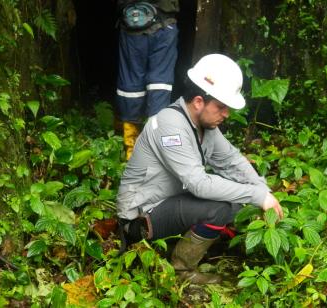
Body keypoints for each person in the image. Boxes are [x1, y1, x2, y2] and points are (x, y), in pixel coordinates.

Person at [116, 54, 284, 284]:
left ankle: (190, 242)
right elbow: (199, 184)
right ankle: (181, 271)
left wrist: (263, 191)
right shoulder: (169, 125)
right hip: (140, 219)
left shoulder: (205, 128)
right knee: (219, 207)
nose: (226, 114)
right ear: (198, 101)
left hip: (169, 205)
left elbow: (231, 161)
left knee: (235, 199)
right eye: (221, 107)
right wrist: (257, 196)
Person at [116, 0, 180, 160]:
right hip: (164, 24)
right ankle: (155, 149)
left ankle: (131, 150)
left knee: (131, 85)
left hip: (132, 24)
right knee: (160, 83)